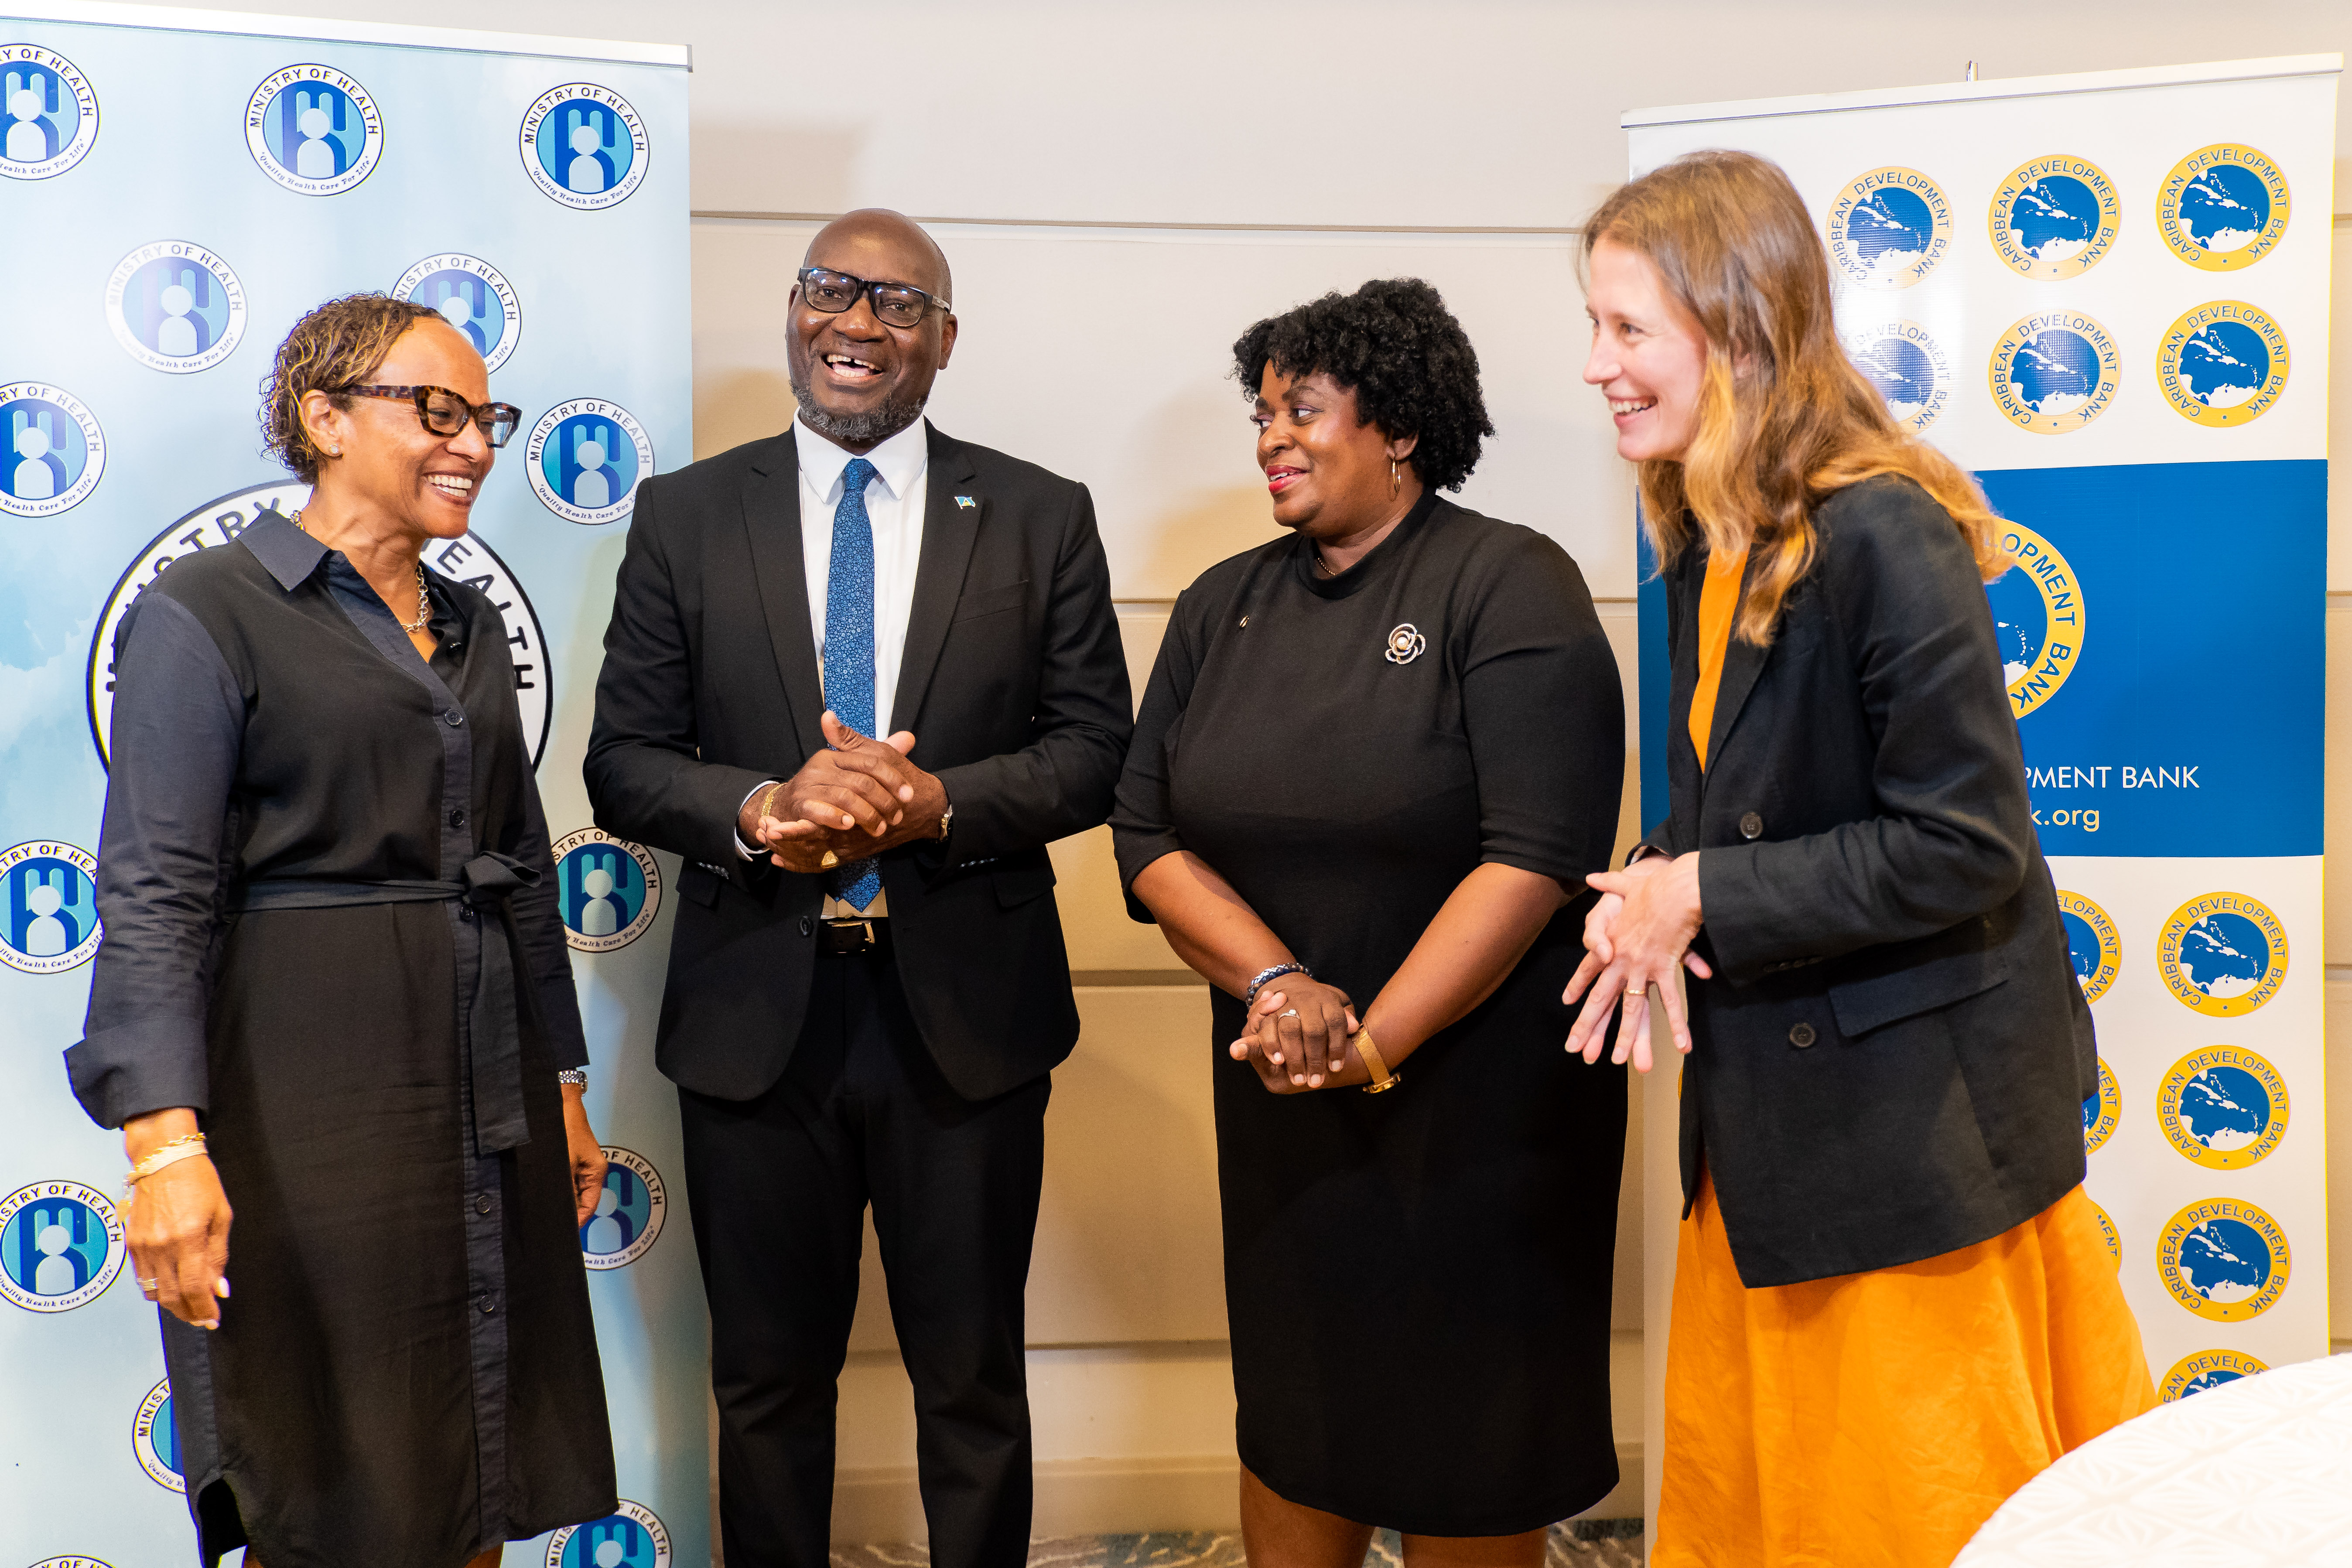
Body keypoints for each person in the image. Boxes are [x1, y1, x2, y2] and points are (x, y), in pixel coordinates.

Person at [1566, 150, 2155, 1567]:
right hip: (1776, 1137)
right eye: (1595, 327)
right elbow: (1754, 798)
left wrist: (1701, 889)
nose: (1597, 366)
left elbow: (1964, 842)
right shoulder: (1706, 532)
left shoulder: (1885, 526)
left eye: (1628, 328)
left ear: (1741, 325)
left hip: (1907, 1152)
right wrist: (1649, 883)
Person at [584, 208, 1132, 1568]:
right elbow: (624, 760)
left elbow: (1093, 751)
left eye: (897, 305)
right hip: (754, 1013)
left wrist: (929, 801)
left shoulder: (1038, 514)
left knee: (973, 1385)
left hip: (967, 1014)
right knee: (766, 1386)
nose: (858, 323)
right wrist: (767, 808)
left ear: (945, 342)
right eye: (832, 291)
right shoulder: (687, 514)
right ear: (792, 310)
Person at [67, 293, 618, 1568]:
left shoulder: (473, 625)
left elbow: (522, 870)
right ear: (323, 418)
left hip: (489, 1101)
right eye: (439, 411)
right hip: (301, 1114)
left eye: (486, 417)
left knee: (480, 1465)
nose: (475, 443)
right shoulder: (208, 611)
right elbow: (153, 891)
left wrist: (567, 1085)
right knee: (322, 1479)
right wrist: (161, 1150)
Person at [1111, 278, 1628, 1568]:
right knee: (1298, 1409)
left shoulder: (1509, 582)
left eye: (1304, 407)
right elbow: (1147, 836)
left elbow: (1534, 857)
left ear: (1398, 426)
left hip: (1482, 1108)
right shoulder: (1222, 602)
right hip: (1284, 1087)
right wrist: (1282, 989)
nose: (1271, 436)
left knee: (1469, 1430)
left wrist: (1373, 1037)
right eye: (1263, 410)